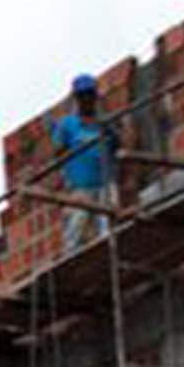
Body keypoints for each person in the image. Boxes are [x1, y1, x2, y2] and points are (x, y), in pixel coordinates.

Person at [50, 73, 120, 249]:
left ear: (95, 96)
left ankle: (110, 250)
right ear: (76, 99)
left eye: (89, 94)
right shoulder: (68, 125)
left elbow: (119, 146)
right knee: (76, 228)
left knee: (108, 229)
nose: (86, 99)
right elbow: (57, 153)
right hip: (80, 187)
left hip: (105, 183)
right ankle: (71, 258)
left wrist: (111, 132)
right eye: (82, 96)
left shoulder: (105, 123)